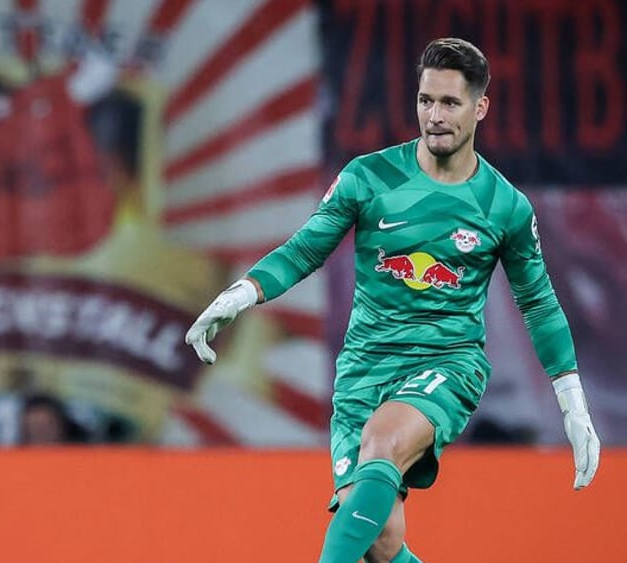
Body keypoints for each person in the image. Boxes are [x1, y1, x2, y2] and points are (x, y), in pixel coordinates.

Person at [184, 38, 600, 563]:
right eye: (426, 100)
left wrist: (573, 404)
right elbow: (304, 250)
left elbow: (538, 304)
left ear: (480, 108)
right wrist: (239, 294)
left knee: (382, 443)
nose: (434, 115)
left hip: (445, 363)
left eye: (449, 103)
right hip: (363, 369)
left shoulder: (504, 206)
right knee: (379, 540)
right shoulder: (368, 177)